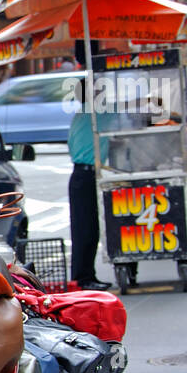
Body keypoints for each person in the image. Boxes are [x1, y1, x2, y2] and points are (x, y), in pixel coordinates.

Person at [67, 101, 112, 291]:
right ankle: (82, 278)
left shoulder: (82, 114)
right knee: (86, 230)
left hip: (82, 176)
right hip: (86, 176)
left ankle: (87, 276)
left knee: (87, 229)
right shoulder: (98, 114)